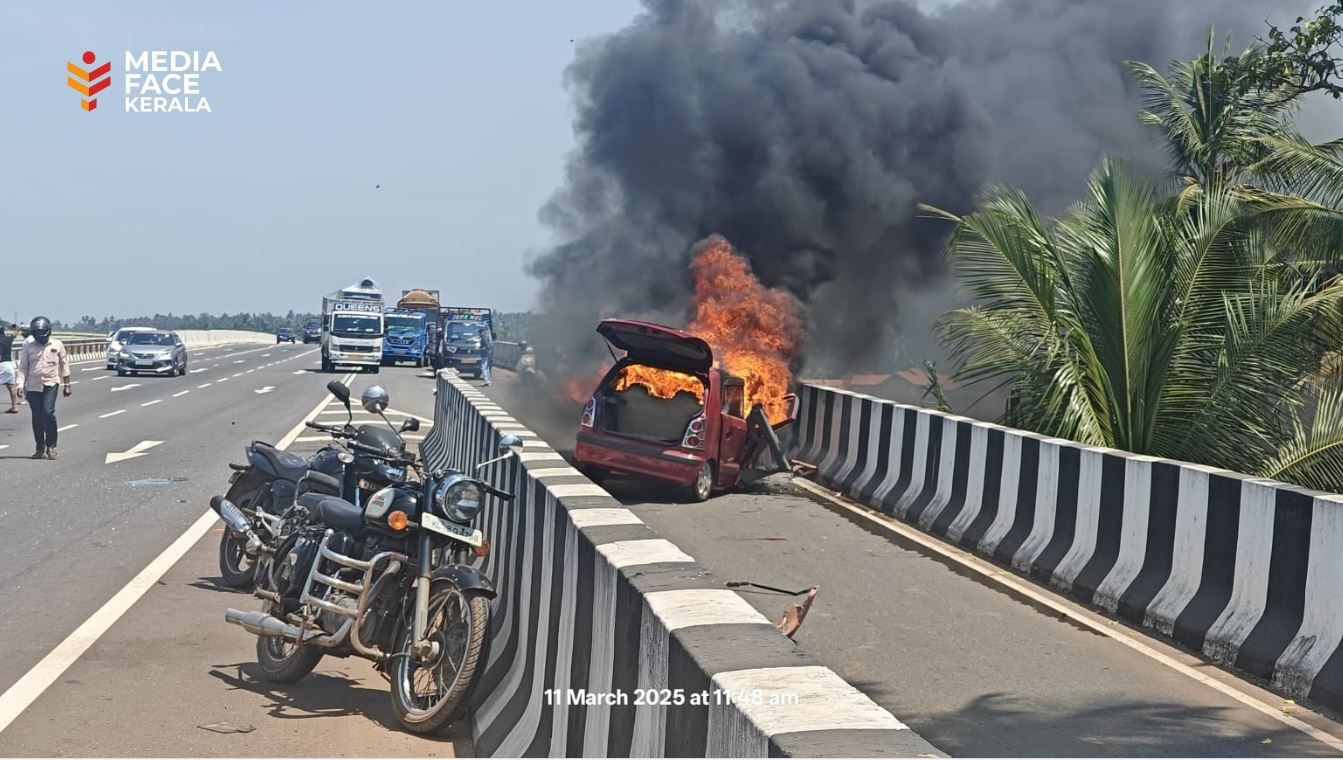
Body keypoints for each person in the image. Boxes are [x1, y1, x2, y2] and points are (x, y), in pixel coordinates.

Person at [15, 316, 71, 460]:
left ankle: (51, 446)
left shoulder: (57, 345)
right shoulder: (28, 346)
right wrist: (20, 385)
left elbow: (64, 364)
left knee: (48, 412)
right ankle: (39, 448)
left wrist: (67, 385)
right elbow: (23, 367)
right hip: (33, 386)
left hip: (51, 383)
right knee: (37, 417)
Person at [0, 324, 16, 413]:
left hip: (1, 364)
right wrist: (16, 328)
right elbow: (14, 335)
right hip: (9, 364)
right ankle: (14, 406)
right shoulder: (8, 339)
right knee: (11, 386)